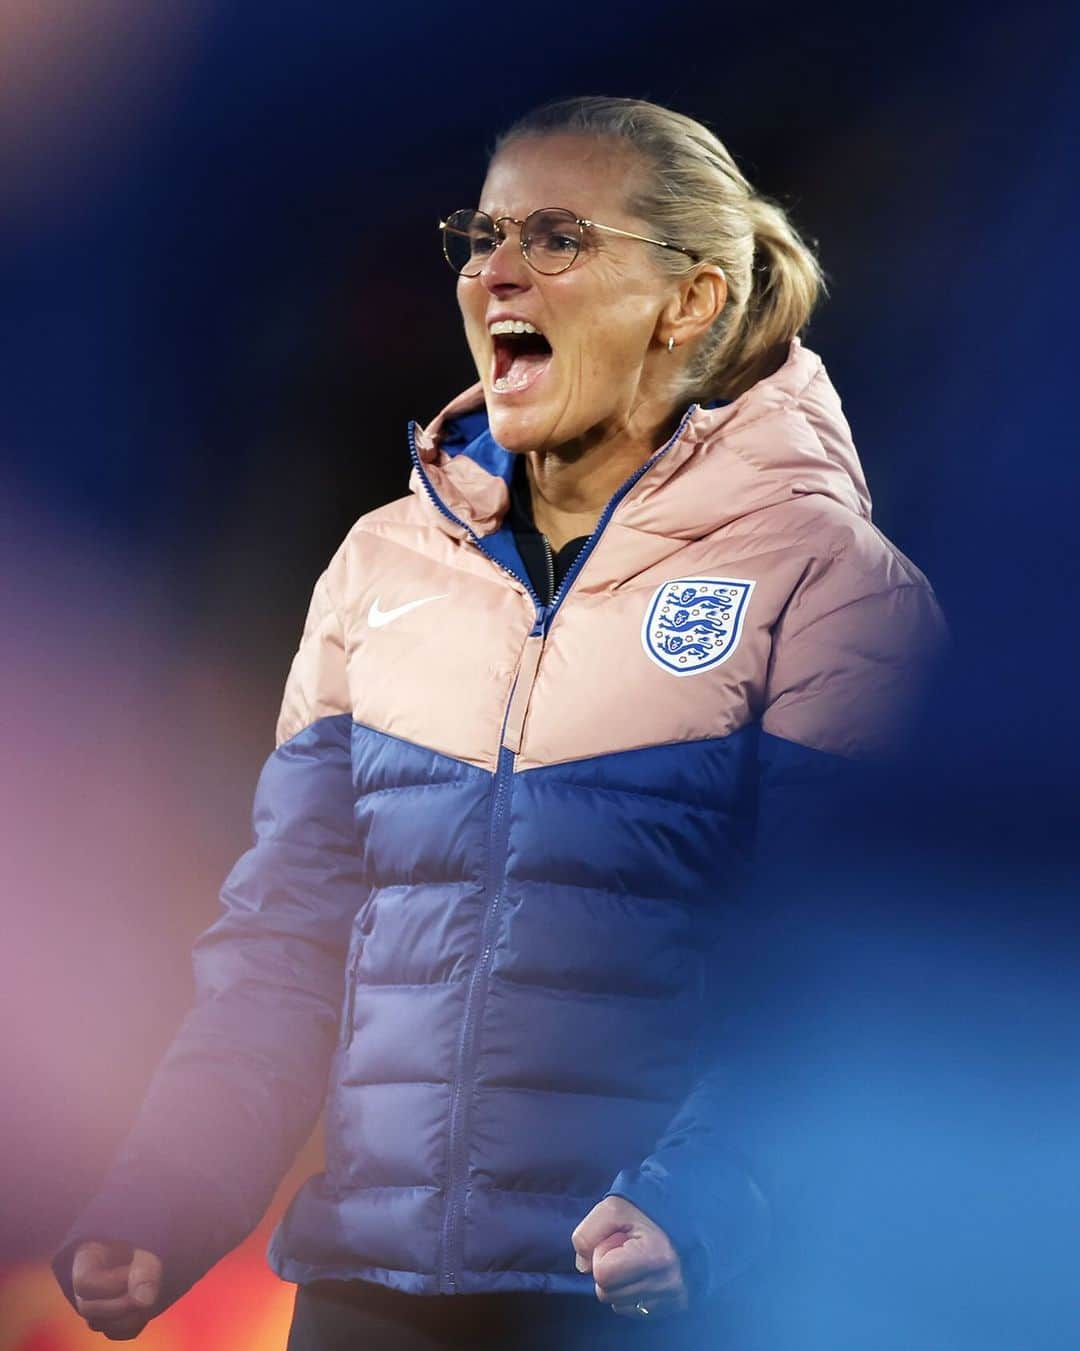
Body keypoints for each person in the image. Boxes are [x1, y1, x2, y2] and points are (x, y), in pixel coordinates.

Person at [51, 95, 948, 1348]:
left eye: (560, 237)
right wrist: (168, 1191)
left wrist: (694, 1209)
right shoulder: (382, 565)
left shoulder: (825, 580)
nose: (496, 270)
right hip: (369, 1293)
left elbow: (850, 969)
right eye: (481, 233)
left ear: (689, 301)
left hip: (644, 1296)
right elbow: (286, 936)